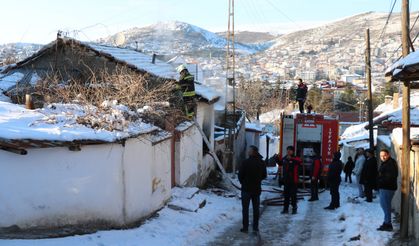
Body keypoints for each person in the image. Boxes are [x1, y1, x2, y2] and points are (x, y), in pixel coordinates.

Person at [238, 145, 267, 233]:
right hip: (256, 189)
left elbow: (240, 175)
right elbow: (264, 175)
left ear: (253, 152)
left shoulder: (245, 162)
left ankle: (245, 227)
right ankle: (255, 227)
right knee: (256, 209)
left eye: (249, 150)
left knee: (245, 209)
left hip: (246, 189)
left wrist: (243, 182)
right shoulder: (261, 162)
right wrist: (257, 180)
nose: (248, 151)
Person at [377, 149, 398, 231]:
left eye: (384, 155)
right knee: (385, 205)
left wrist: (380, 181)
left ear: (388, 154)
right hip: (386, 187)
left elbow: (390, 177)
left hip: (387, 188)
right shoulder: (387, 162)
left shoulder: (390, 163)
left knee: (385, 206)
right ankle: (387, 222)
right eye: (381, 156)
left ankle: (388, 224)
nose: (383, 157)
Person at [278, 146, 301, 214]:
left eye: (290, 150)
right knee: (286, 196)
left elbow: (299, 162)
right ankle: (285, 209)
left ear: (293, 151)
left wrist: (292, 159)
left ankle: (294, 209)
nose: (288, 151)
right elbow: (280, 163)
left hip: (293, 180)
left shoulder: (296, 158)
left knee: (293, 196)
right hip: (286, 180)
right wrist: (276, 159)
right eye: (287, 150)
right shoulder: (285, 158)